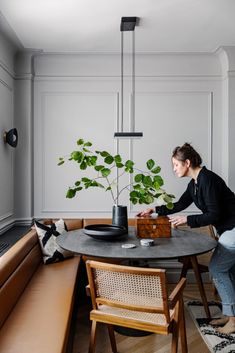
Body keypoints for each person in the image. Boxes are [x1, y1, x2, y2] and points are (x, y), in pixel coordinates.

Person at [137, 142, 235, 334]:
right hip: (228, 230)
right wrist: (155, 209)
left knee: (216, 268)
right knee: (229, 271)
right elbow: (180, 204)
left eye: (175, 165)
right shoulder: (195, 184)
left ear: (187, 162)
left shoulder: (208, 180)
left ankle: (232, 320)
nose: (174, 169)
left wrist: (187, 220)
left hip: (234, 228)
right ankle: (230, 314)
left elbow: (214, 215)